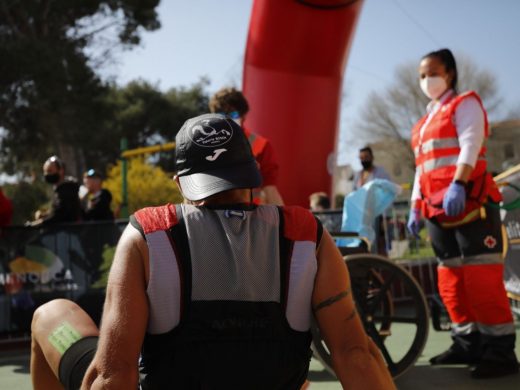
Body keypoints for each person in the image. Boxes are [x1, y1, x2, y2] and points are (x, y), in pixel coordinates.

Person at [30, 114, 395, 390]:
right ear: (251, 176)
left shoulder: (149, 232)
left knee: (51, 314)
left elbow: (113, 376)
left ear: (180, 183)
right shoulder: (307, 234)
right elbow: (355, 356)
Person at [407, 48, 518, 379]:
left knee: (481, 276)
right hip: (436, 209)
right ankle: (466, 341)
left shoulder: (465, 103)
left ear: (450, 73)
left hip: (469, 201)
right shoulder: (423, 123)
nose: (427, 80)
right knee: (450, 278)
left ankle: (499, 351)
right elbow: (421, 168)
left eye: (433, 72)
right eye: (422, 75)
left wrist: (458, 183)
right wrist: (415, 206)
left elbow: (471, 142)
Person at [209, 87, 284, 205]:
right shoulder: (206, 144)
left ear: (244, 116)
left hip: (251, 216)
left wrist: (284, 220)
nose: (228, 118)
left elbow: (270, 189)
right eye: (222, 114)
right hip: (216, 215)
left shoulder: (261, 145)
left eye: (233, 114)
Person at [352, 147, 392, 255]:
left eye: (366, 157)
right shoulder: (357, 176)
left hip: (378, 216)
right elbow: (354, 195)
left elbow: (388, 194)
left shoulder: (380, 173)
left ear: (372, 157)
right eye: (361, 158)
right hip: (362, 218)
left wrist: (386, 217)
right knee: (364, 246)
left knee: (379, 246)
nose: (364, 160)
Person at [27, 156, 82, 226]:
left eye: (50, 171)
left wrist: (36, 223)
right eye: (45, 172)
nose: (47, 174)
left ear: (61, 171)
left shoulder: (67, 189)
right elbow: (58, 212)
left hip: (67, 232)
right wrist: (45, 215)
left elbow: (60, 215)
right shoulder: (60, 189)